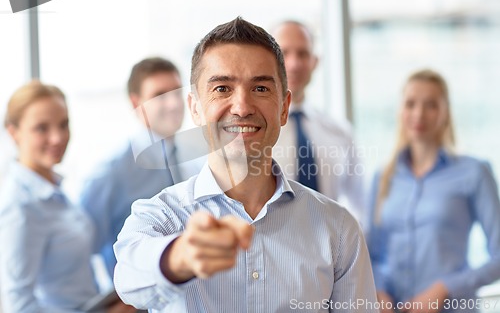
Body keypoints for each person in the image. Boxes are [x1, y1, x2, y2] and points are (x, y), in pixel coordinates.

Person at [113, 17, 378, 313]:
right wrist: (180, 256)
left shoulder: (339, 229)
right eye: (222, 88)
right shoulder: (160, 215)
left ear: (284, 107)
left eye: (261, 89)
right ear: (195, 108)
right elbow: (128, 277)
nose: (241, 107)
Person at [366, 69, 500, 313]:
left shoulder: (475, 172)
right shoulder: (382, 177)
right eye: (410, 104)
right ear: (400, 111)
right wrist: (379, 291)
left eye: (431, 105)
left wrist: (443, 288)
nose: (419, 114)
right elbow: (370, 253)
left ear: (446, 113)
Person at [0, 81, 134, 312]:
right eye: (42, 128)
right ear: (14, 132)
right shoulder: (20, 205)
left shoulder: (52, 188)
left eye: (63, 125)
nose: (57, 137)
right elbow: (19, 305)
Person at [79, 57, 202, 280]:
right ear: (136, 104)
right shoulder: (110, 174)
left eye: (176, 92)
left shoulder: (194, 160)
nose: (173, 103)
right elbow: (83, 251)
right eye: (159, 95)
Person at [272, 20, 365, 221]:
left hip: (332, 248)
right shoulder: (251, 133)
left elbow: (360, 205)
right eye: (284, 53)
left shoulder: (341, 132)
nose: (294, 63)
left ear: (315, 62)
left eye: (302, 54)